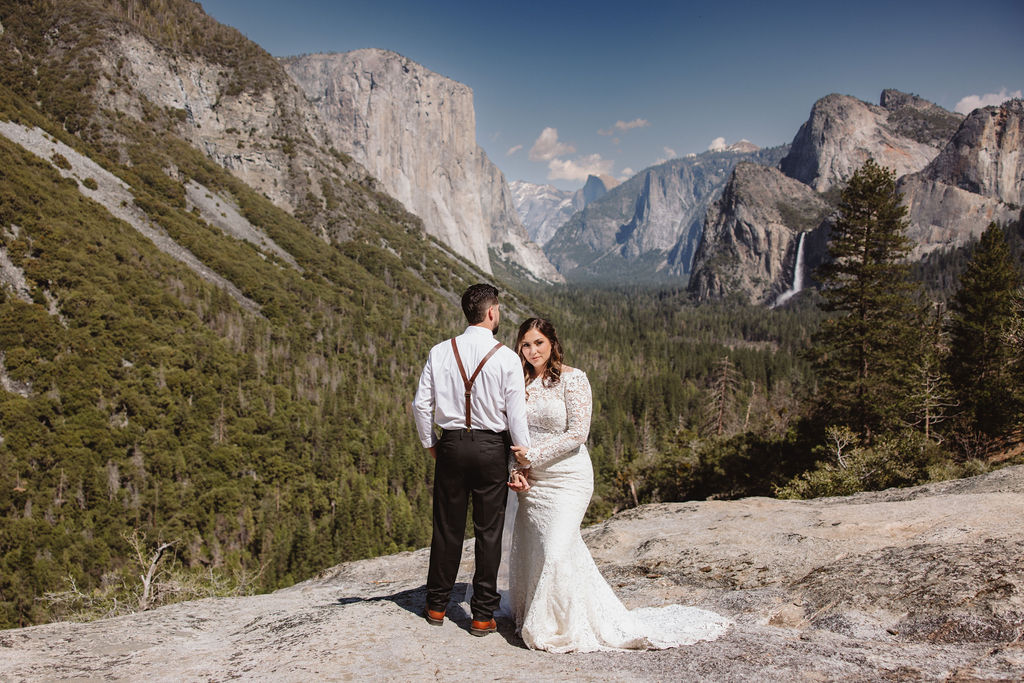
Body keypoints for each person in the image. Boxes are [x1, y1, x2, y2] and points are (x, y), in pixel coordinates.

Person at [507, 317, 732, 653]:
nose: (532, 350)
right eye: (526, 344)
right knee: (541, 550)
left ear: (552, 343)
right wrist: (517, 469)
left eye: (539, 343)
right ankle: (548, 613)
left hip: (569, 478)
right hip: (534, 482)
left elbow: (577, 434)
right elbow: (512, 433)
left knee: (554, 548)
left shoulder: (574, 379)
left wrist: (532, 457)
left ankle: (561, 626)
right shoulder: (519, 382)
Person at [411, 284, 530, 637]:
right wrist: (521, 458)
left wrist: (431, 443)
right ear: (492, 313)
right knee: (488, 531)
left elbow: (421, 406)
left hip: (450, 446)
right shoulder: (507, 357)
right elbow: (516, 417)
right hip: (491, 448)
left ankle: (436, 605)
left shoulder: (439, 351)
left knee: (447, 527)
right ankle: (481, 615)